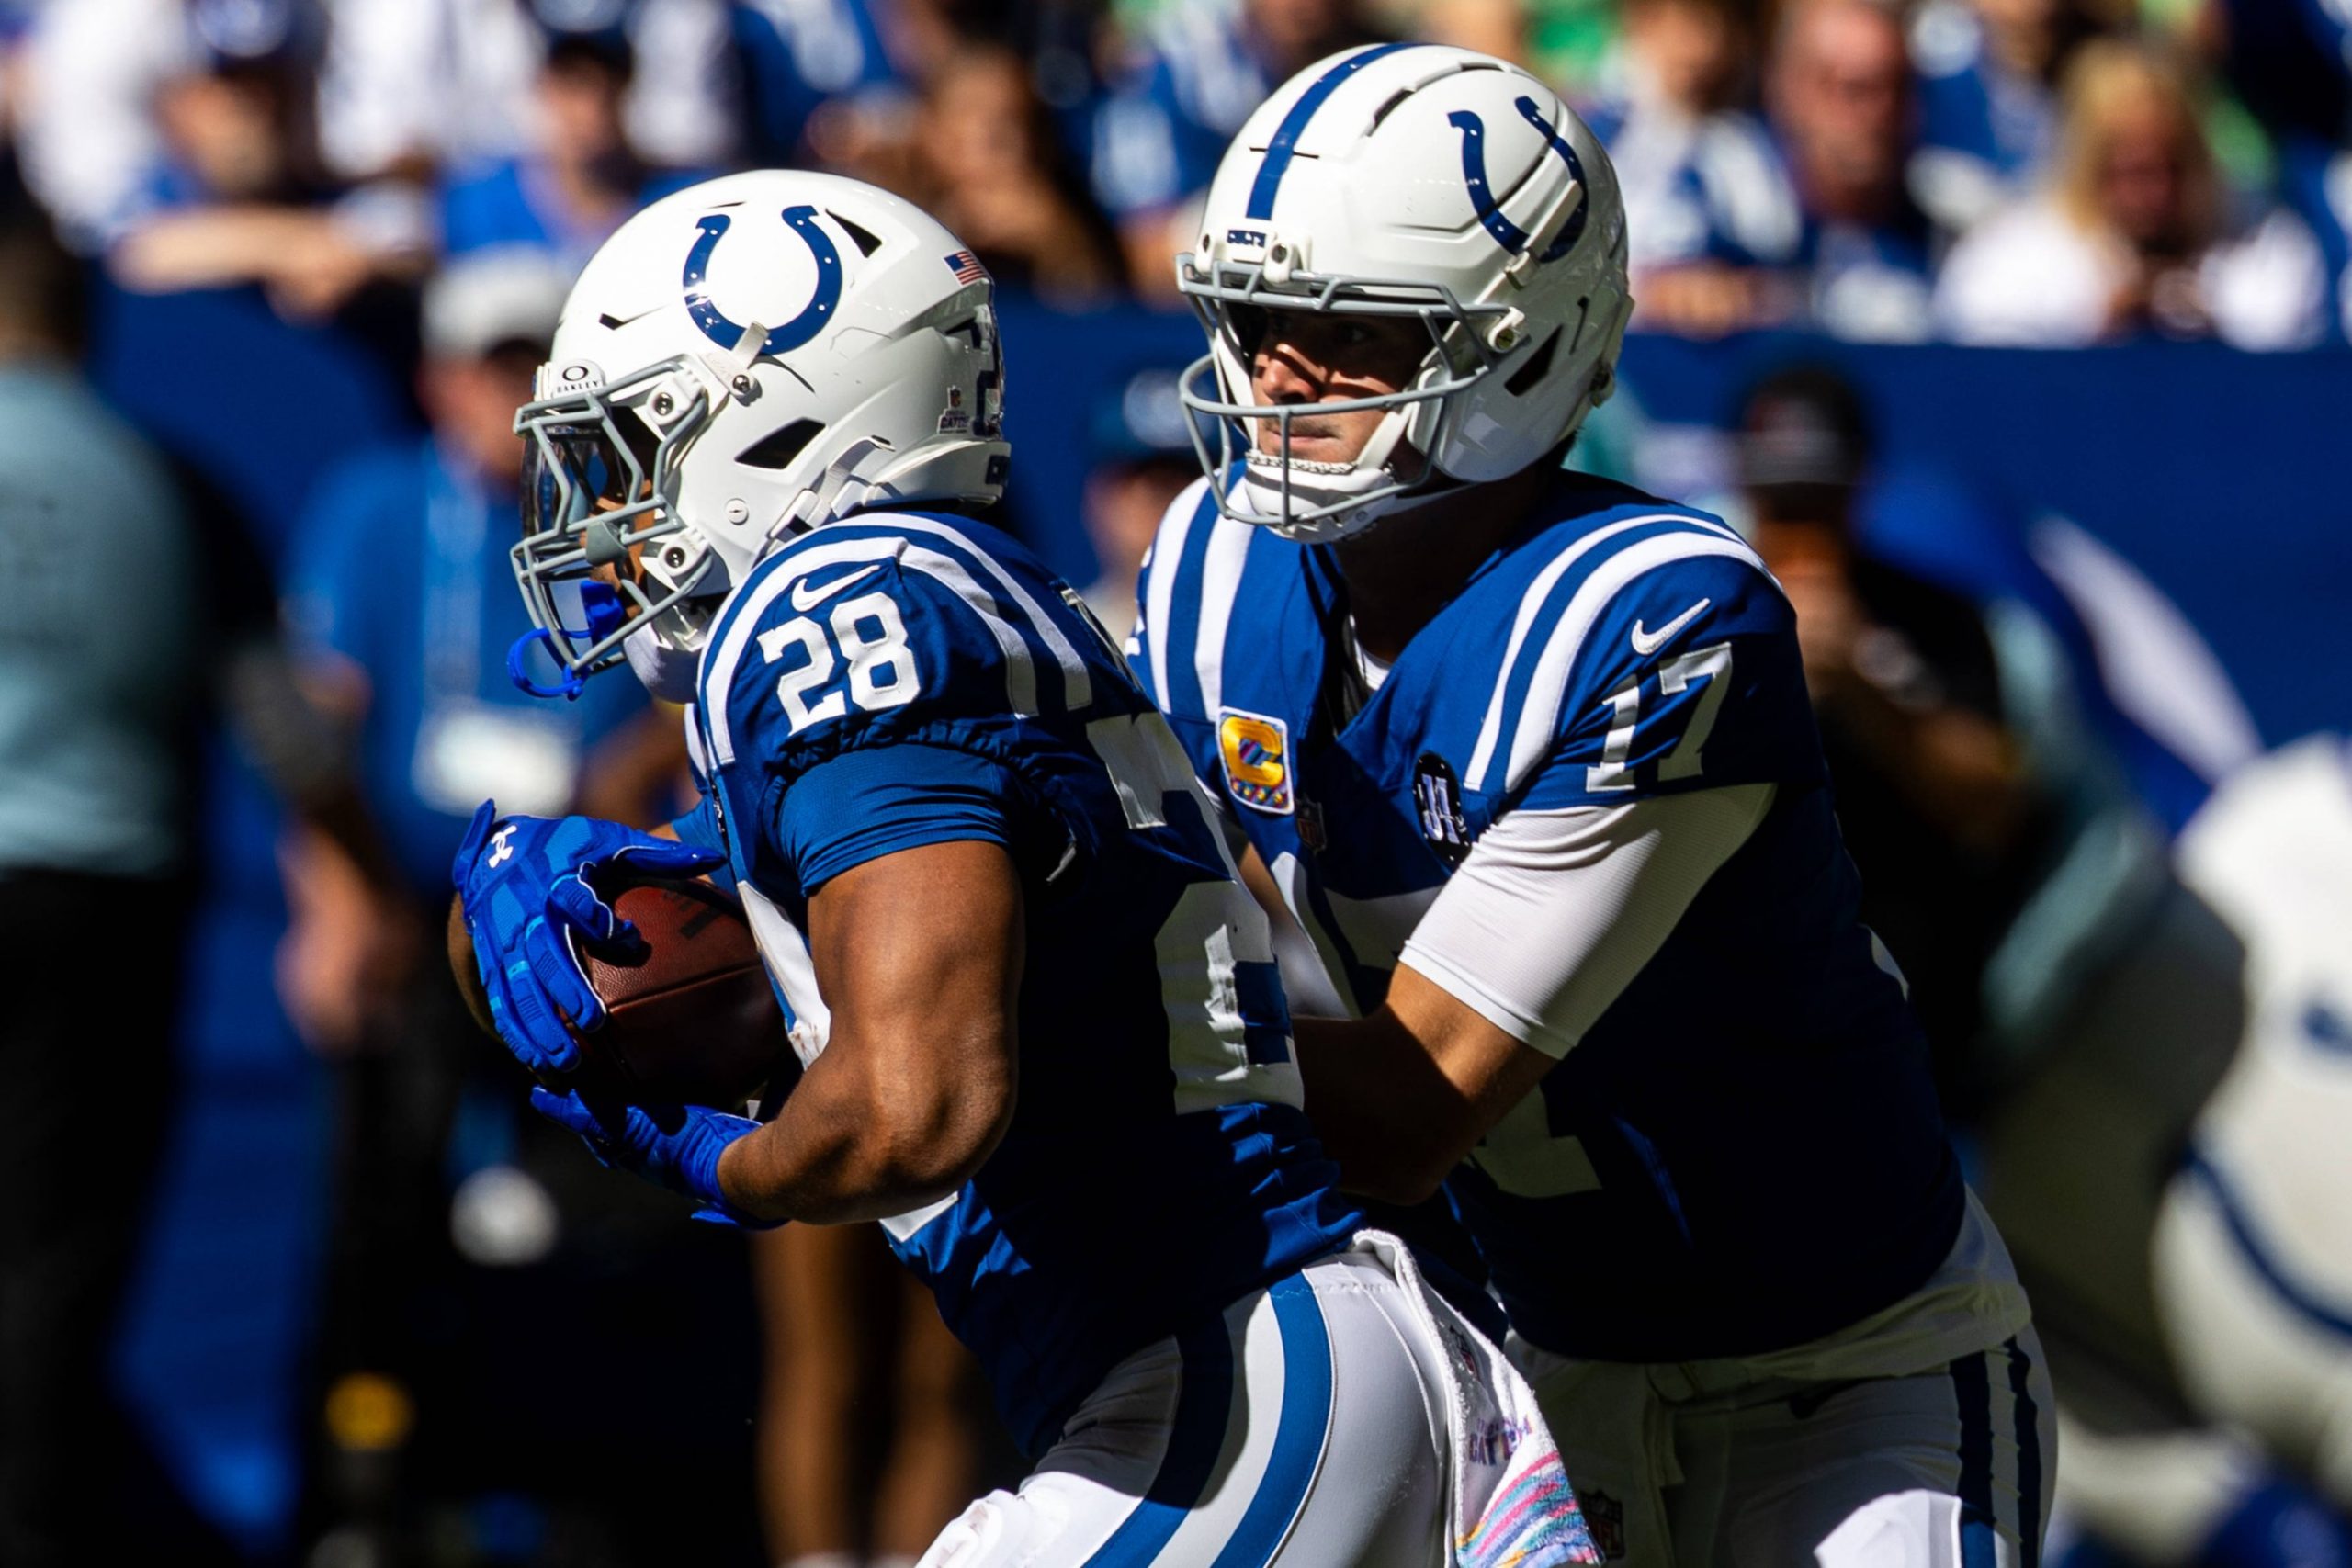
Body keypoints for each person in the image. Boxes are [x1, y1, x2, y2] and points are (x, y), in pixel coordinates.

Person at [451, 168, 1591, 1565]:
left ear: (780, 422)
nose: (609, 513)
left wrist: (723, 1164)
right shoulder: (935, 601)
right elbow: (733, 934)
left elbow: (921, 1104)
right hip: (1246, 1368)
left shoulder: (834, 606)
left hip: (1231, 1379)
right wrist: (516, 907)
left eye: (635, 449)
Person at [1140, 42, 2049, 1565]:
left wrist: (1034, 1025)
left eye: (1339, 326)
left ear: (1519, 348)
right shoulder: (1212, 573)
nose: (1272, 372)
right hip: (1528, 1364)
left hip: (1838, 1365)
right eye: (1250, 318)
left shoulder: (1656, 624)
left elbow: (1416, 1102)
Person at [0, 206, 201, 1568]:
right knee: (53, 1262)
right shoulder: (162, 475)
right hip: (101, 905)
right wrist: (359, 876)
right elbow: (285, 721)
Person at [1935, 40, 2328, 349]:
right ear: (2087, 168)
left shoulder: (2266, 247)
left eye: (2170, 168)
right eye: (2129, 173)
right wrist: (2093, 338)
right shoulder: (2011, 262)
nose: (2152, 195)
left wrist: (2218, 343)